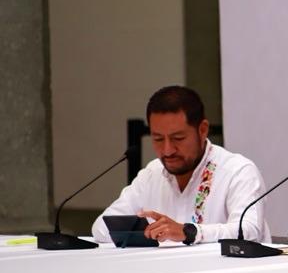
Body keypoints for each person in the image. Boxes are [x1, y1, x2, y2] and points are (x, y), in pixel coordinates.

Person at [92, 86, 270, 244]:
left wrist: (190, 232)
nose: (167, 150)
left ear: (202, 130)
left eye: (178, 138)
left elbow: (249, 231)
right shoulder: (152, 173)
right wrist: (148, 234)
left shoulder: (237, 171)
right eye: (158, 139)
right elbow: (101, 227)